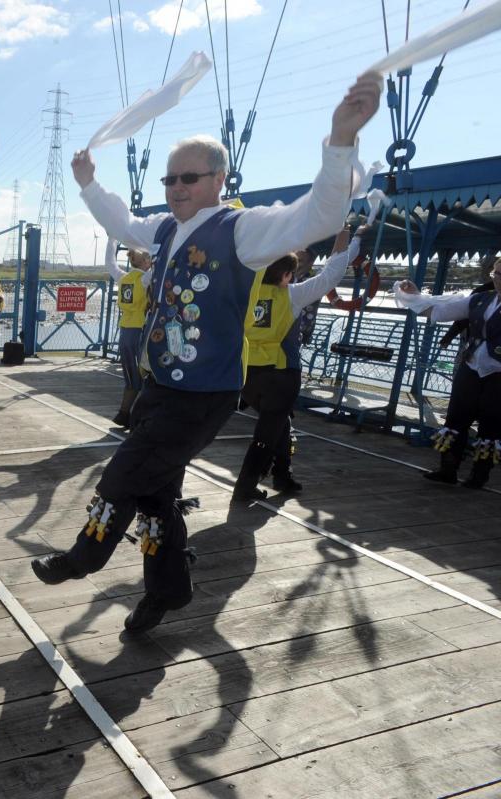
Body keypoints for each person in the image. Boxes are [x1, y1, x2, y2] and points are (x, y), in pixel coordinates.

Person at [29, 71, 382, 634]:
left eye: (188, 177)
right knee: (156, 495)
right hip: (160, 388)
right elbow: (122, 222)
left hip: (202, 395)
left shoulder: (240, 230)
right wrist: (89, 183)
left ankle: (84, 557)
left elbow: (315, 217)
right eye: (171, 178)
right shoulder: (168, 231)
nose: (175, 187)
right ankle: (169, 591)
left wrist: (339, 142)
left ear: (218, 179)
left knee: (124, 474)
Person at [233, 227, 361, 500]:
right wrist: (343, 234)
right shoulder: (290, 295)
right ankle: (245, 486)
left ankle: (282, 476)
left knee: (280, 426)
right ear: (285, 275)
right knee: (267, 432)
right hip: (279, 373)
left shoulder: (244, 293)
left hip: (245, 373)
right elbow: (332, 275)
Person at [393, 256, 501, 488]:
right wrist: (415, 296)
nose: (497, 279)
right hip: (471, 366)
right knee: (455, 418)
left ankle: (478, 476)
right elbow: (440, 311)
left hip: (497, 373)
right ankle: (448, 469)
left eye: (500, 274)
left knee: (491, 424)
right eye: (496, 274)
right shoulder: (481, 299)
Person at [104, 240, 151, 427]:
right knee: (145, 375)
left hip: (125, 329)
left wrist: (112, 239)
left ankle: (124, 414)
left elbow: (110, 262)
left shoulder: (123, 278)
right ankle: (136, 417)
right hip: (140, 330)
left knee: (131, 376)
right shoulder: (145, 279)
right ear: (147, 261)